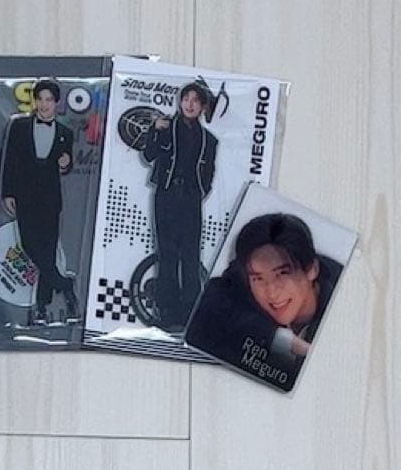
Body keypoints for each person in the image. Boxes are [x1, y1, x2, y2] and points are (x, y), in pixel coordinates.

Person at [185, 213, 342, 381]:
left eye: (282, 274)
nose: (272, 292)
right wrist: (277, 338)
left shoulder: (344, 296)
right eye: (258, 278)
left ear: (312, 270)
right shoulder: (244, 275)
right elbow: (205, 305)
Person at [0, 79, 78, 321]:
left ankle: (42, 307)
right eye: (40, 99)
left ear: (56, 103)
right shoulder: (19, 126)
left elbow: (67, 164)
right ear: (34, 101)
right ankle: (64, 285)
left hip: (50, 199)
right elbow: (10, 160)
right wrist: (8, 192)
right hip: (25, 196)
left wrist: (65, 164)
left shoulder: (65, 133)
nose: (44, 104)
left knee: (47, 250)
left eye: (49, 100)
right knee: (29, 245)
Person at [143, 81, 218, 330]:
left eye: (195, 100)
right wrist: (154, 130)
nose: (190, 104)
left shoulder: (209, 140)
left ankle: (189, 312)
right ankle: (167, 310)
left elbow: (209, 171)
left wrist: (201, 191)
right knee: (167, 254)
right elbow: (149, 155)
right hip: (166, 196)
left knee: (190, 254)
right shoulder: (166, 127)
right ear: (180, 101)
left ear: (202, 106)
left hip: (190, 199)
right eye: (186, 99)